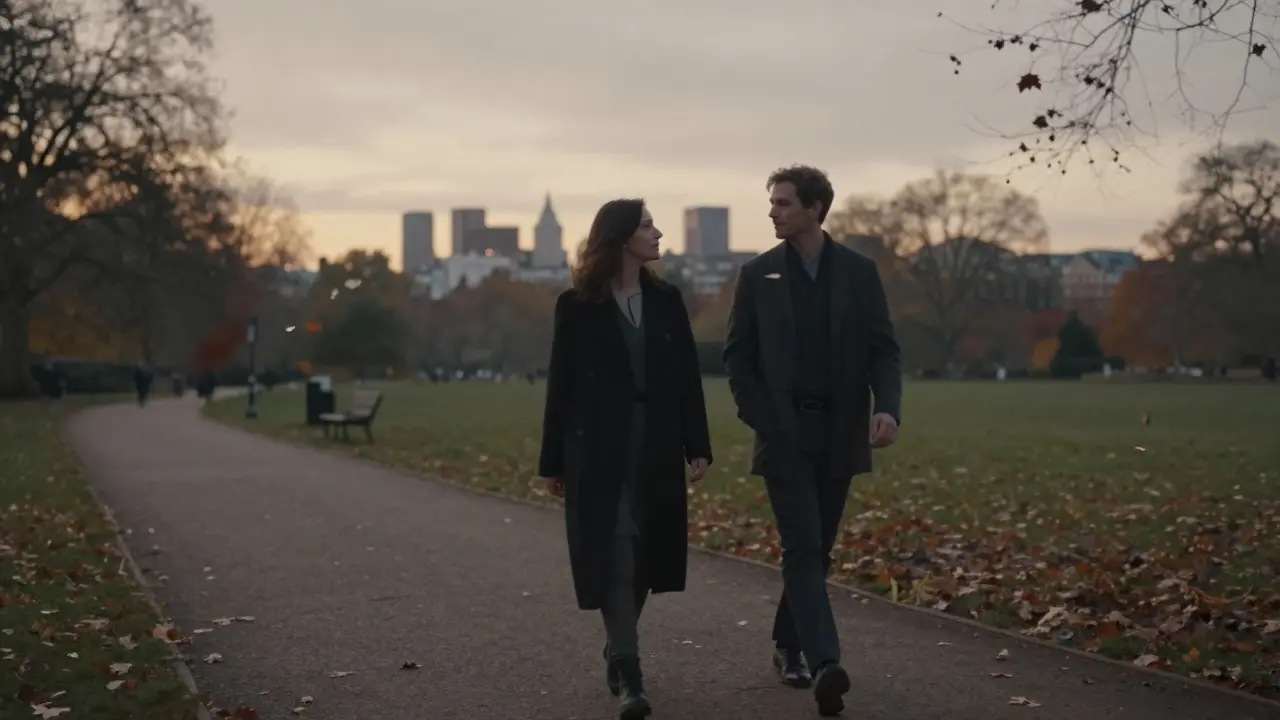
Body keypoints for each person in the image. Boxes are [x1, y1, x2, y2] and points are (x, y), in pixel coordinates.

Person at [722, 165, 902, 717]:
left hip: (842, 431)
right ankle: (824, 662)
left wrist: (888, 408)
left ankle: (785, 642)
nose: (773, 211)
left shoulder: (858, 272)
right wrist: (763, 420)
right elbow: (739, 357)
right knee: (801, 547)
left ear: (816, 209)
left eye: (783, 203)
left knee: (816, 550)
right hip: (783, 433)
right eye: (772, 202)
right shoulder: (757, 276)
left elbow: (882, 349)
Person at [538, 198, 712, 720]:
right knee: (614, 551)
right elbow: (560, 385)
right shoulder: (576, 305)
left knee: (644, 555)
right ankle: (631, 675)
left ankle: (617, 646)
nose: (658, 234)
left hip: (655, 443)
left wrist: (697, 444)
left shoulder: (667, 302)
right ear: (619, 237)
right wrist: (553, 460)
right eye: (647, 226)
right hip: (596, 447)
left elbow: (686, 379)